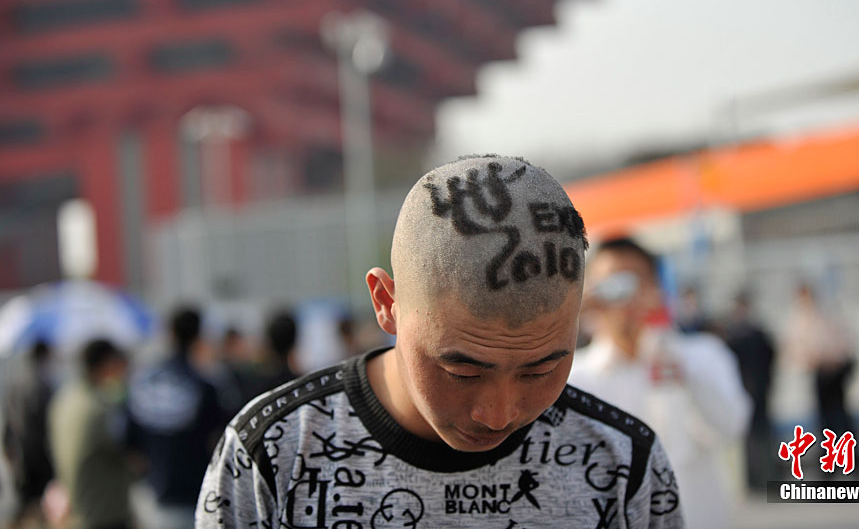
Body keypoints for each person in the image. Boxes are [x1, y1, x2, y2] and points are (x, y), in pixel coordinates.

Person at [197, 155, 685, 528]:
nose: (498, 413)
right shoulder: (274, 454)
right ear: (387, 302)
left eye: (539, 370)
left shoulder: (621, 463)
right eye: (462, 372)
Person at [569, 237, 749, 529]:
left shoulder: (702, 355)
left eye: (635, 282)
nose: (625, 299)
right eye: (611, 285)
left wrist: (677, 361)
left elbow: (733, 425)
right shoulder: (574, 378)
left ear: (655, 286)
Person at [129, 306, 224, 529]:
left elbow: (127, 437)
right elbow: (218, 439)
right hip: (195, 495)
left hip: (153, 494)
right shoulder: (204, 386)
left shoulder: (143, 382)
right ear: (198, 336)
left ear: (169, 333)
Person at [48, 339, 133, 529]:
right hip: (104, 512)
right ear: (108, 364)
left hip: (75, 510)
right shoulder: (98, 409)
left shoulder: (64, 399)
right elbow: (128, 456)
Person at [783, 282, 855, 437]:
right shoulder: (799, 319)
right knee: (827, 416)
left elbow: (839, 339)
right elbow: (795, 348)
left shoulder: (823, 313)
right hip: (820, 370)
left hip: (835, 369)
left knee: (840, 412)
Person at [722, 291, 775, 491]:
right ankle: (753, 479)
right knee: (746, 438)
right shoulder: (732, 336)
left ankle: (767, 477)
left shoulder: (757, 334)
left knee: (762, 436)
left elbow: (770, 358)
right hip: (743, 392)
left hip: (759, 392)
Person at [2, 341, 56, 525]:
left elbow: (8, 425)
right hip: (38, 461)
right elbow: (44, 429)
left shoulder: (14, 384)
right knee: (39, 510)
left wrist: (9, 452)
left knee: (23, 507)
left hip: (19, 458)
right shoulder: (40, 386)